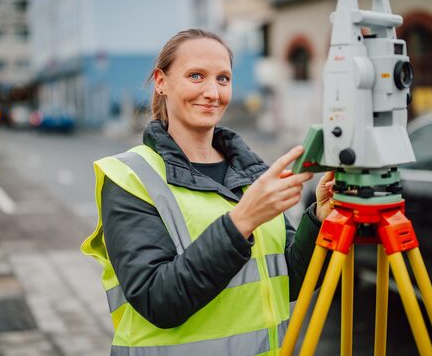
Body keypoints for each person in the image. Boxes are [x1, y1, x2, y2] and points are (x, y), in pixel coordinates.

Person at [81, 29, 334, 355]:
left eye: (223, 79)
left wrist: (319, 220)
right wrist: (242, 220)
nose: (212, 92)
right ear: (161, 81)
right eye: (196, 76)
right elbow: (157, 300)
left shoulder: (252, 171)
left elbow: (289, 279)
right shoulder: (130, 177)